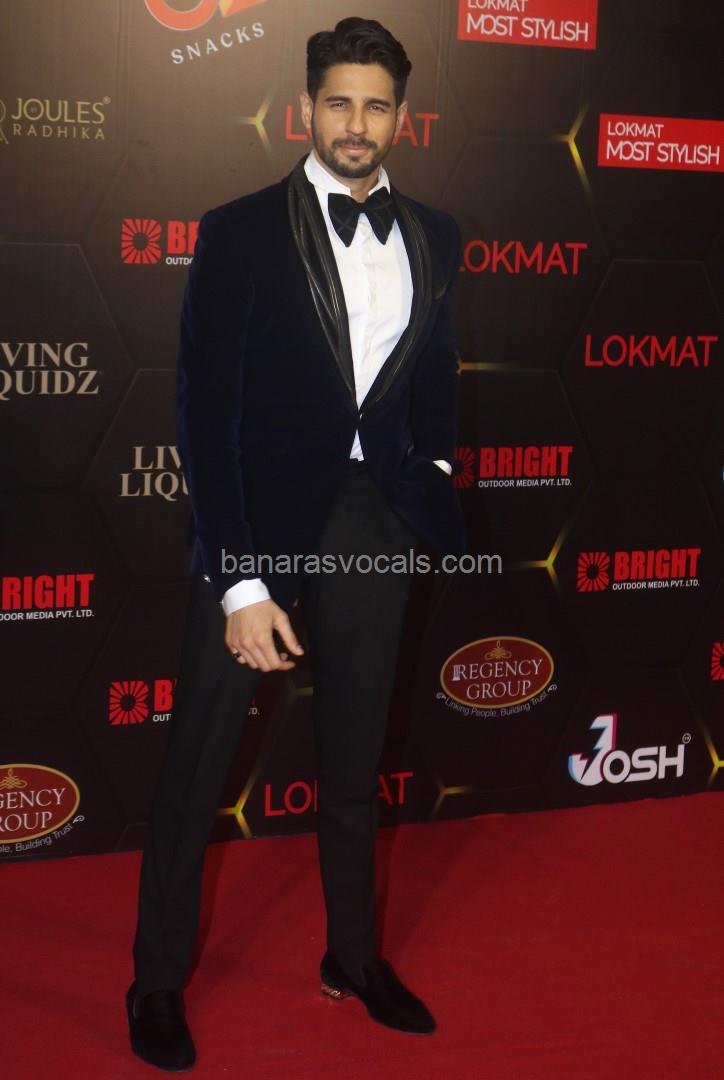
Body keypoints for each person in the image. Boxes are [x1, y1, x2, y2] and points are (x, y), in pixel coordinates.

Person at [126, 16, 466, 1071]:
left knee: (355, 757)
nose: (356, 124)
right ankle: (155, 982)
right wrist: (238, 582)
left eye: (376, 106)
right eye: (338, 102)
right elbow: (204, 411)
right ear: (306, 107)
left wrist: (429, 477)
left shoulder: (436, 235)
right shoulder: (237, 231)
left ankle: (352, 957)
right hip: (258, 525)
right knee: (198, 763)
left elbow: (434, 370)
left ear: (401, 117)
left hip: (376, 521)